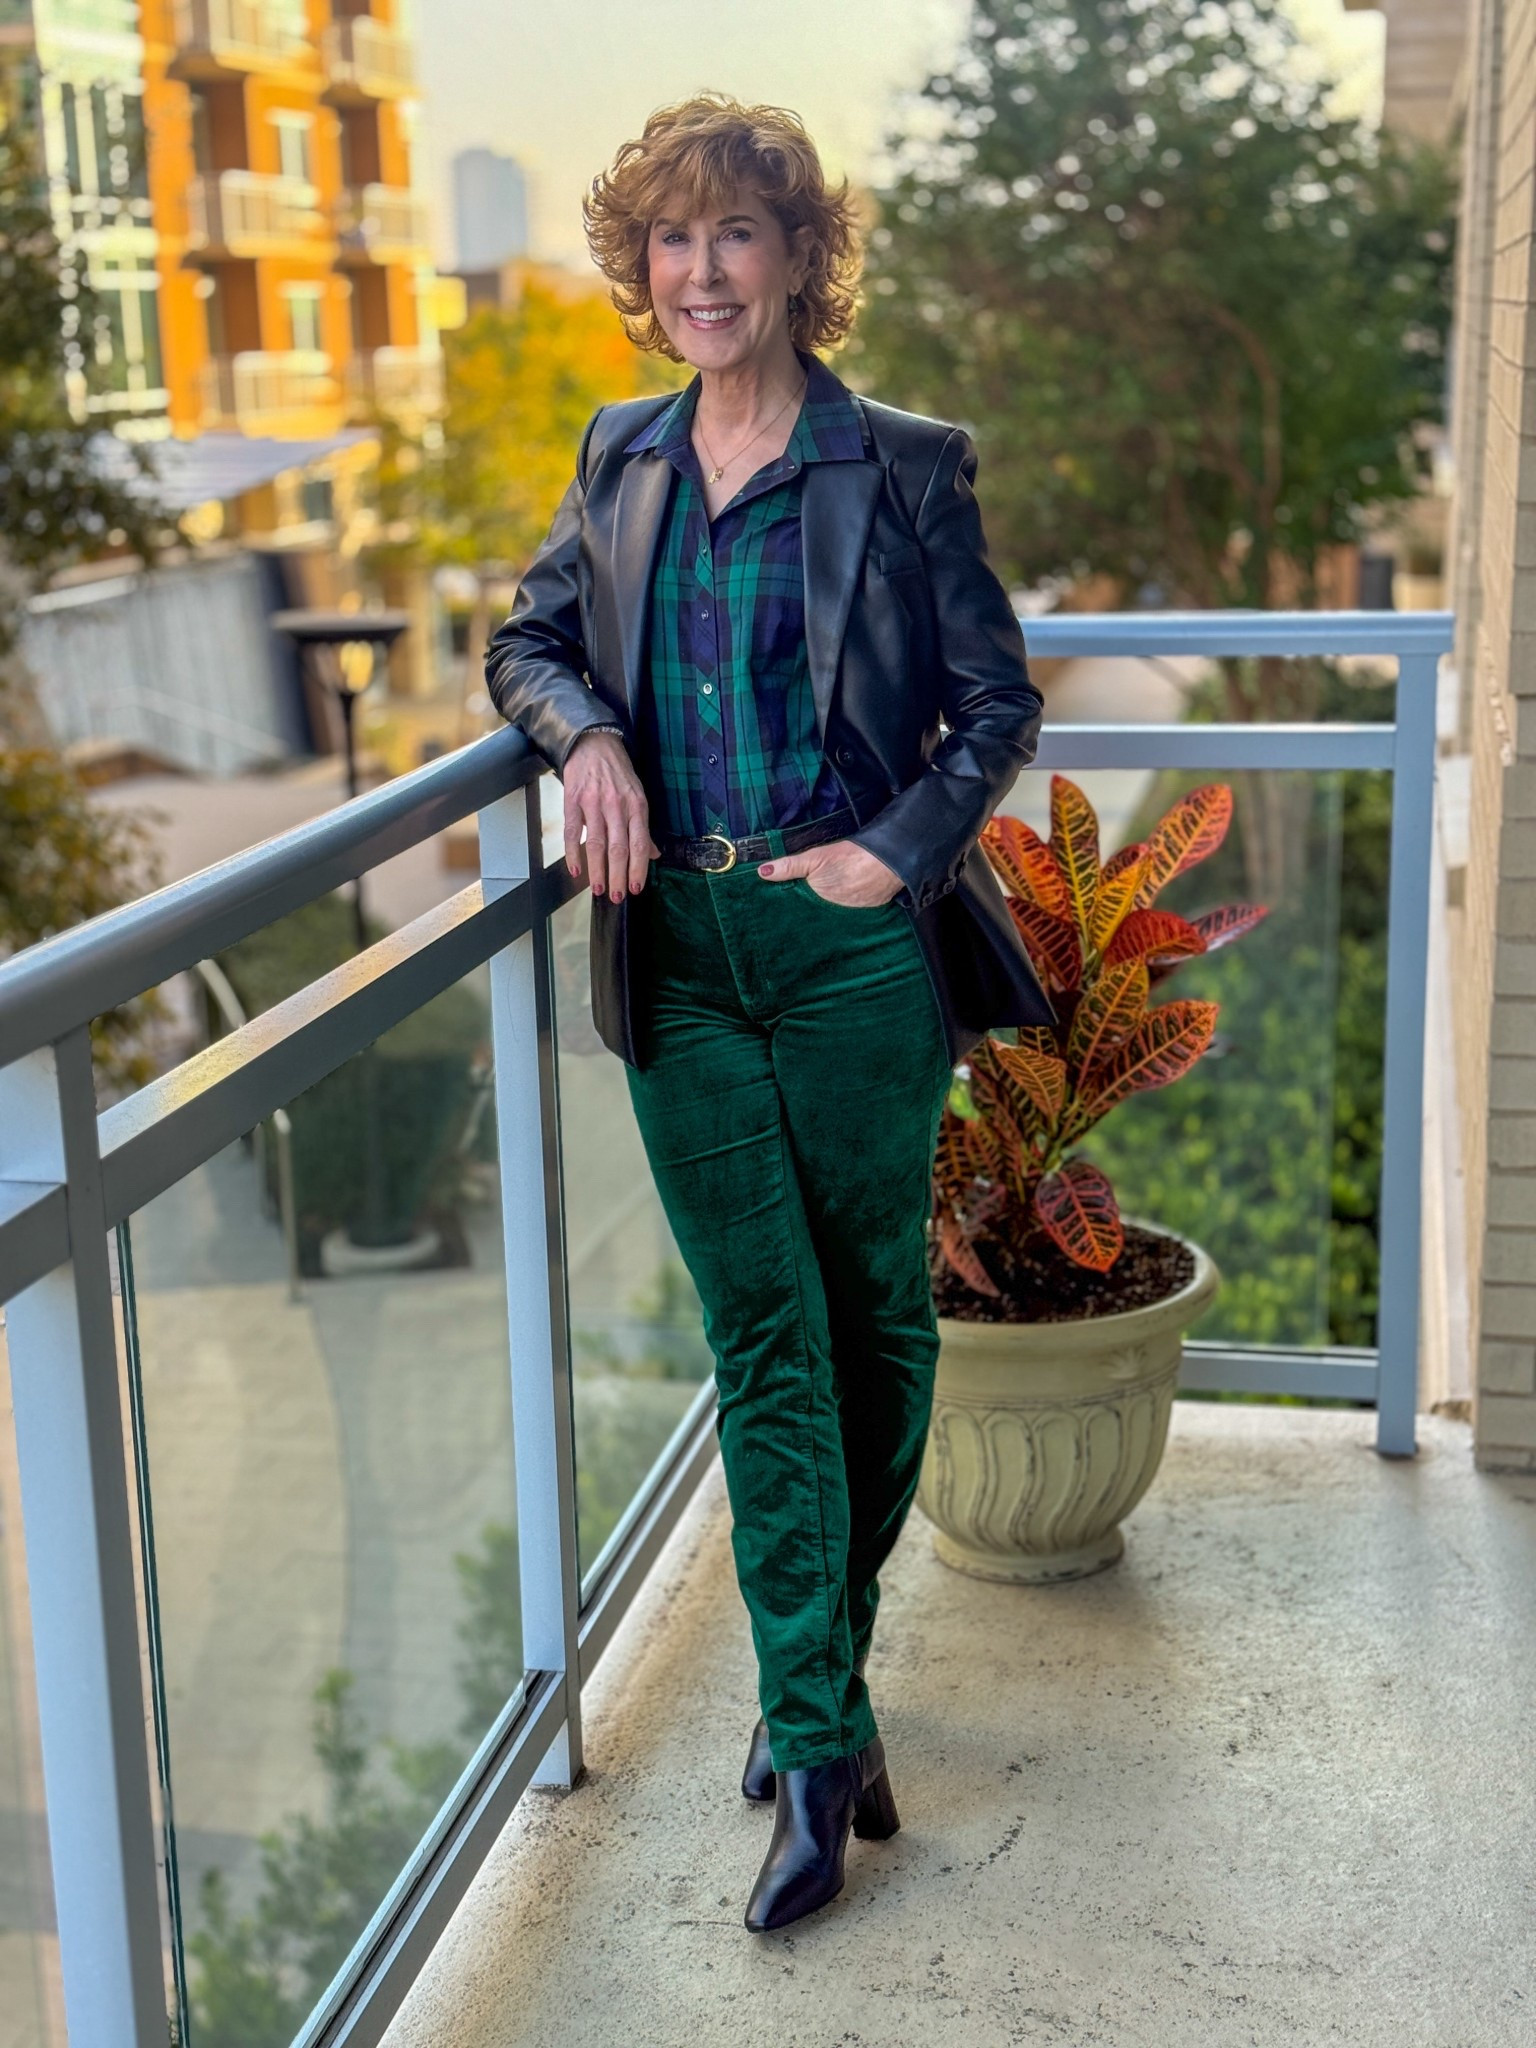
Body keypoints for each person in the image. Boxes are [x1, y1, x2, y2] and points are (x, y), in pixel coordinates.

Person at [485, 91, 1051, 1934]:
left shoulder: (899, 464)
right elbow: (529, 640)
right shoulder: (619, 450)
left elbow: (994, 703)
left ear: (805, 261)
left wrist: (897, 854)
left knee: (878, 1314)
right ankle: (817, 1738)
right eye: (674, 237)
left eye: (741, 233)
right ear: (639, 273)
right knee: (764, 1335)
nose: (704, 269)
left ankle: (823, 1676)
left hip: (848, 944)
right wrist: (585, 748)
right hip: (687, 952)